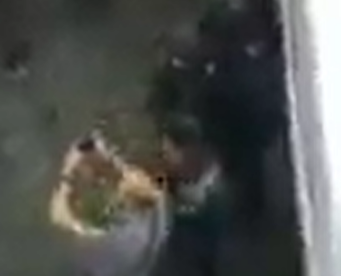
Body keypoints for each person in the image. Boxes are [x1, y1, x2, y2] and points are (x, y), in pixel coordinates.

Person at [47, 133, 169, 276]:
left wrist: (70, 176)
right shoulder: (103, 201)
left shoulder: (147, 208)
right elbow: (60, 217)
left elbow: (68, 220)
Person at [156, 117, 229, 276]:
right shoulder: (182, 171)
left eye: (169, 150)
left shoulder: (210, 195)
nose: (164, 155)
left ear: (186, 151)